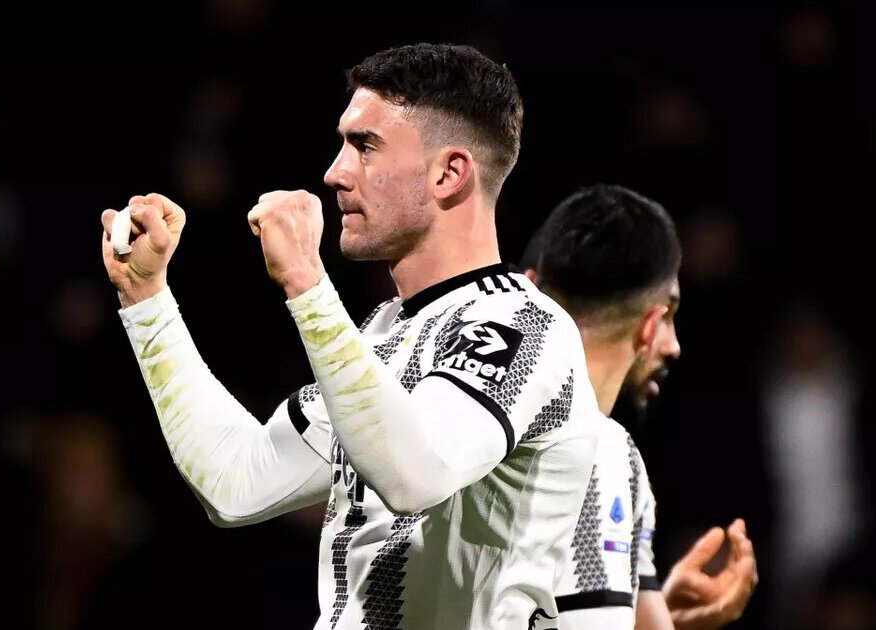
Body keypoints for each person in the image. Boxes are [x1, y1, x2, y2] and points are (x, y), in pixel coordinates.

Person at [99, 43, 603, 628]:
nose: (335, 173)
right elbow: (237, 481)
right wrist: (147, 301)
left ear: (449, 173)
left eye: (365, 147)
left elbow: (417, 476)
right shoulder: (380, 335)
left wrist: (307, 283)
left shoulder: (524, 326)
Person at [520, 184, 758, 629]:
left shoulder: (622, 464)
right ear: (650, 324)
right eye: (669, 315)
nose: (673, 346)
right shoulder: (601, 452)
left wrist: (660, 615)